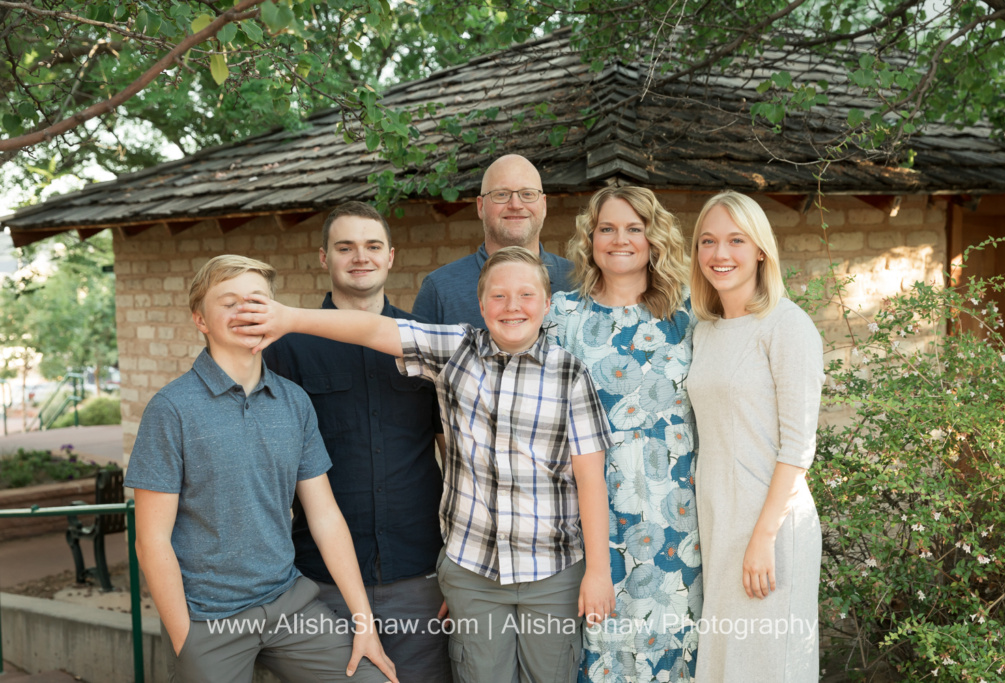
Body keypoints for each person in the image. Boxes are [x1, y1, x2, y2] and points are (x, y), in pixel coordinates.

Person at [233, 246, 615, 683]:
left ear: (547, 304)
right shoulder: (456, 350)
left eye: (527, 295)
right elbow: (372, 329)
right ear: (480, 303)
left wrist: (598, 572)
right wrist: (290, 319)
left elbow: (590, 480)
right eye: (499, 296)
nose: (512, 307)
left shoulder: (571, 375)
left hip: (553, 572)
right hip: (474, 573)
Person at [126, 255, 397, 683]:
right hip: (209, 617)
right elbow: (151, 540)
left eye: (256, 300)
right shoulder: (171, 409)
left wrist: (364, 621)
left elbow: (325, 516)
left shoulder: (294, 401)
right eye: (229, 302)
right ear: (200, 319)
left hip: (288, 602)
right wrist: (186, 641)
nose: (245, 311)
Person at [262, 202, 450, 683]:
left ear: (391, 257)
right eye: (345, 247)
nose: (359, 257)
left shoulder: (424, 341)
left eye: (371, 246)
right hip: (321, 580)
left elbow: (452, 452)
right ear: (324, 258)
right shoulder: (287, 347)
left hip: (419, 571)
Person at [544, 186, 701, 682]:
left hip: (678, 520)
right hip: (592, 523)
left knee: (673, 656)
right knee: (601, 656)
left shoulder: (690, 315)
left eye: (634, 228)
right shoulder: (562, 317)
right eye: (607, 229)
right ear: (590, 239)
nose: (620, 240)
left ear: (654, 239)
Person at [686, 191, 824, 682]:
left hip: (771, 528)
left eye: (735, 240)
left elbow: (797, 446)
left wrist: (763, 537)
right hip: (719, 524)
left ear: (761, 250)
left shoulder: (787, 326)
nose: (720, 254)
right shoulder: (704, 330)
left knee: (770, 667)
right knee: (727, 667)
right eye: (708, 241)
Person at [412, 154, 573, 326]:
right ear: (480, 207)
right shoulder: (440, 290)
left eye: (527, 194)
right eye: (501, 194)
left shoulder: (579, 280)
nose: (516, 205)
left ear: (544, 205)